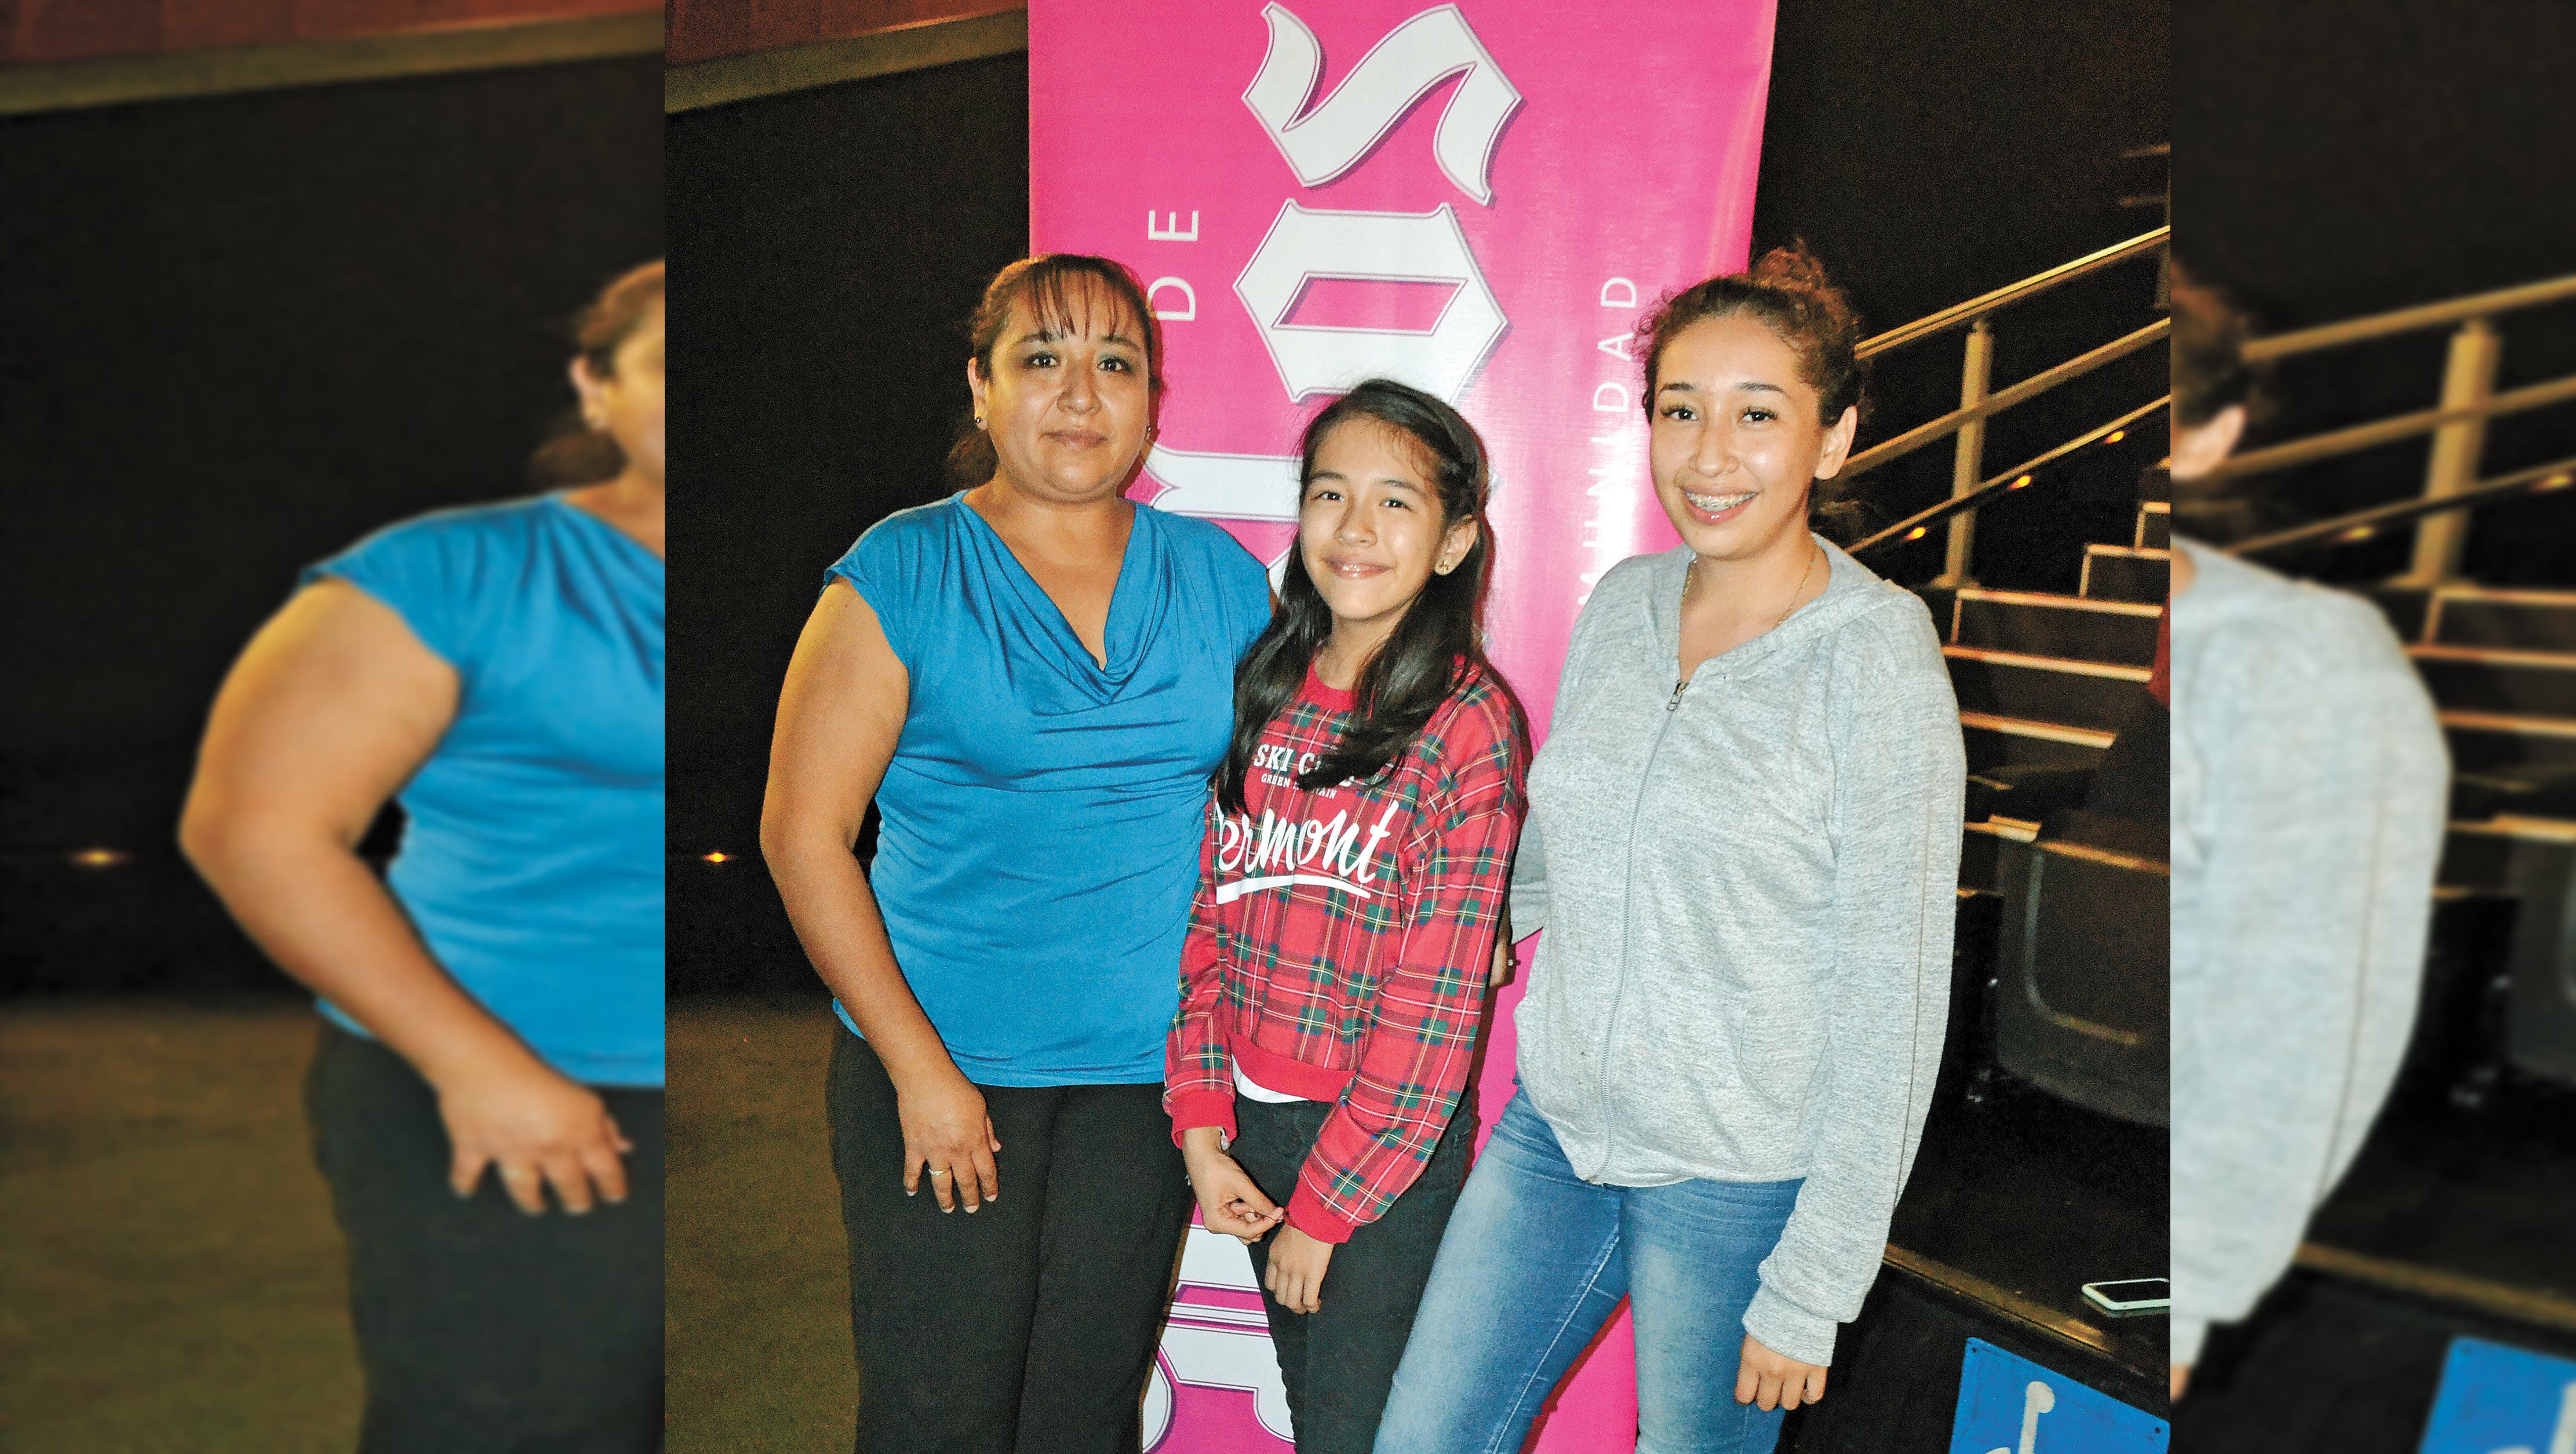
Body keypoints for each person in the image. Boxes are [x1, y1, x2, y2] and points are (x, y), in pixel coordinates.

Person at [1373, 246, 1965, 1453]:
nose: (1708, 454)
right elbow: (1565, 838)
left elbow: (1896, 997)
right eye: (1680, 410)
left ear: (1834, 438)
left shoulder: (1876, 654)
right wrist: (1474, 935)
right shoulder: (1624, 602)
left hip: (1737, 1182)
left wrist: (1815, 1282)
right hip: (1556, 1134)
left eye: (1759, 415)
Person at [760, 254, 1273, 1452]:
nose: (1081, 394)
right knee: (938, 1415)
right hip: (945, 1069)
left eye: (1115, 363)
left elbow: (1301, 789)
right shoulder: (901, 571)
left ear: (1152, 401)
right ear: (982, 388)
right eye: (1043, 358)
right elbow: (801, 835)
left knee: (1082, 1416)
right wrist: (919, 1071)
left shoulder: (1218, 577)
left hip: (1145, 1085)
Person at [180, 259, 666, 1449]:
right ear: (595, 387)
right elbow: (253, 827)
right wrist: (481, 1068)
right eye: (668, 365)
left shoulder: (832, 575)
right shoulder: (455, 571)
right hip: (506, 1089)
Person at [1167, 378, 1529, 1454]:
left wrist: (1327, 1209)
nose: (1355, 528)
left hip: (1380, 1156)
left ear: (1456, 540)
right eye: (1330, 494)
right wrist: (1202, 1126)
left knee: (1357, 1435)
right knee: (1320, 1418)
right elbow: (1210, 920)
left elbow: (1435, 1009)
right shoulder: (1265, 685)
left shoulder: (1468, 723)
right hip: (1256, 1130)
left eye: (1395, 502)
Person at [2163, 267, 2451, 1401]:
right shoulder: (2182, 638)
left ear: (2213, 434)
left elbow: (2302, 1017)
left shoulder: (2309, 663)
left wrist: (2192, 1292)